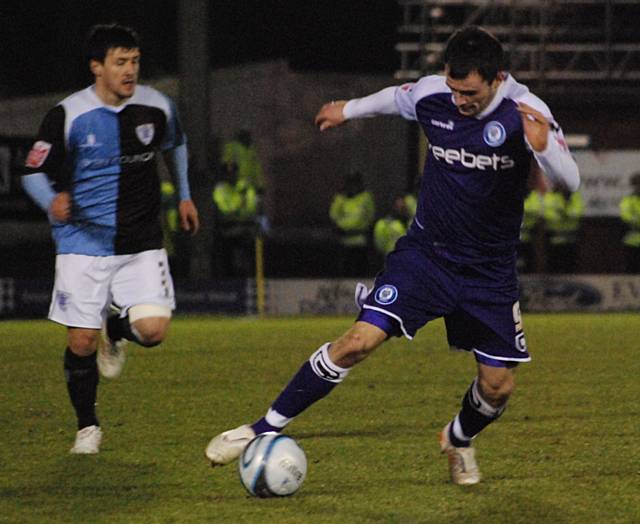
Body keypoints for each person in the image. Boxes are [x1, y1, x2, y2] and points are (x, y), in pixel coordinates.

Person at [205, 26, 579, 485]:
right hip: (427, 257)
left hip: (489, 272)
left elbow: (571, 181)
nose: (460, 100)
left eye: (471, 93)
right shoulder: (432, 94)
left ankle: (457, 440)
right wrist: (348, 109)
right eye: (455, 89)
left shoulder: (528, 111)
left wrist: (543, 149)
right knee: (357, 342)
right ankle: (260, 428)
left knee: (498, 387)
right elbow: (393, 98)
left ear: (498, 78)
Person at [21, 24, 200, 454]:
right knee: (80, 342)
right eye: (120, 62)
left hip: (141, 240)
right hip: (82, 242)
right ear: (97, 67)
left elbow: (176, 145)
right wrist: (51, 201)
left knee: (154, 331)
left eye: (135, 61)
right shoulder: (67, 116)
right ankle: (88, 427)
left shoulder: (157, 106)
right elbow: (32, 171)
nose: (130, 70)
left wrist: (185, 196)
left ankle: (116, 327)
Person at [211, 161, 259, 277]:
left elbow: (252, 208)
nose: (231, 176)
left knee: (249, 258)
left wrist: (239, 213)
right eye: (228, 174)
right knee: (228, 261)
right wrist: (239, 211)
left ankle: (248, 275)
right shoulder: (220, 189)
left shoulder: (246, 187)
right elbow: (224, 213)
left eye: (233, 173)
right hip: (228, 231)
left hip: (246, 230)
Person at [329, 171, 376, 277]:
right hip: (344, 241)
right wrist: (341, 228)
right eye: (350, 183)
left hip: (360, 241)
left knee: (360, 270)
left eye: (355, 182)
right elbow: (333, 216)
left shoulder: (366, 197)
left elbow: (370, 217)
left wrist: (362, 229)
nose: (352, 186)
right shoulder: (340, 198)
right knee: (345, 272)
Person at [543, 187, 584, 273]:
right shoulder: (551, 197)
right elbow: (548, 214)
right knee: (554, 267)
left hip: (571, 241)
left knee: (570, 266)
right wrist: (564, 215)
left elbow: (578, 212)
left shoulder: (575, 197)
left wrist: (564, 213)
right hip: (554, 240)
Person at [619, 172, 640, 273]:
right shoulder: (628, 200)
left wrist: (636, 218)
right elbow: (626, 217)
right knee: (632, 269)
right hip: (632, 243)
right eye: (636, 184)